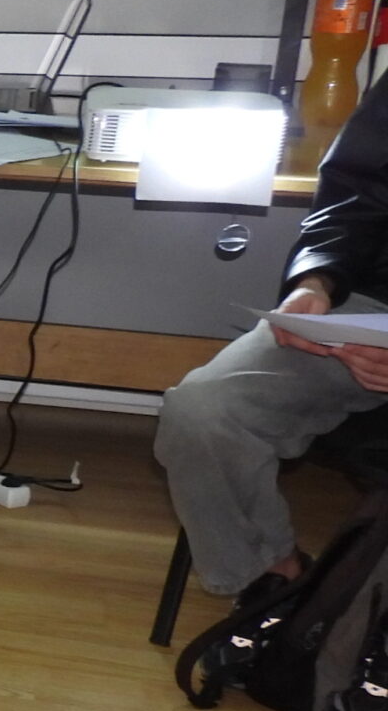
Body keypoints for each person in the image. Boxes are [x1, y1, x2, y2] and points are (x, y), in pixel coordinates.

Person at [158, 71, 388, 603]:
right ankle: (273, 577)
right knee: (203, 411)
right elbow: (354, 199)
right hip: (373, 307)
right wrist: (315, 283)